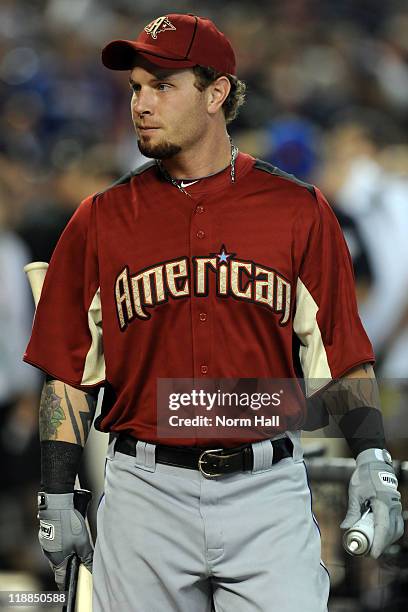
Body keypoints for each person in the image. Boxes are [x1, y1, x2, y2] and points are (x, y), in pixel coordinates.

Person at [24, 13, 404, 612]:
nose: (141, 104)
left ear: (216, 93)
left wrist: (372, 457)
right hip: (144, 491)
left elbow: (341, 350)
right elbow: (68, 372)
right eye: (135, 89)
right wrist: (56, 491)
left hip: (267, 489)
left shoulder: (297, 210)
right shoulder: (99, 219)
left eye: (163, 85)